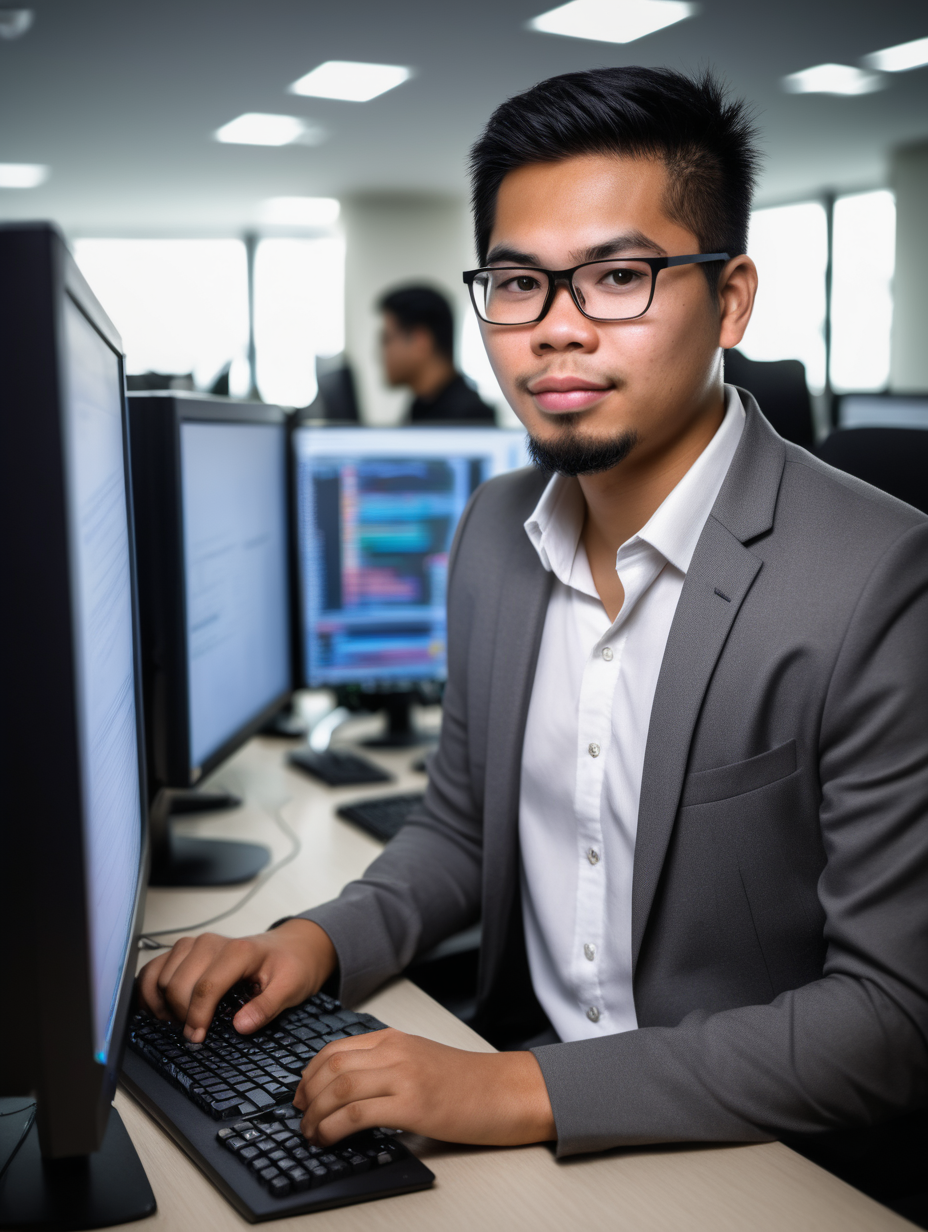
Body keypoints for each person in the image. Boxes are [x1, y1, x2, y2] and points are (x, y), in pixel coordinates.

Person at [138, 67, 928, 1159]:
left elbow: (889, 1019)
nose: (555, 330)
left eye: (617, 276)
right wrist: (317, 938)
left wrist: (521, 1090)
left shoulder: (878, 578)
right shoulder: (494, 532)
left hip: (751, 1151)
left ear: (731, 298)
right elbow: (460, 829)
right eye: (517, 284)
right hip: (520, 1105)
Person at [378, 284, 496, 424]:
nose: (379, 354)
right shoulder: (420, 407)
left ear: (420, 341)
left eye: (386, 339)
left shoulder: (470, 418)